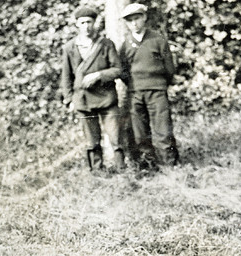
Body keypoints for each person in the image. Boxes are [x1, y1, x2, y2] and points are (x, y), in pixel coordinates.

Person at [60, 5, 125, 171]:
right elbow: (66, 76)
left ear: (95, 23)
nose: (86, 26)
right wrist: (69, 100)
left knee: (116, 138)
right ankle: (97, 173)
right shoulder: (70, 47)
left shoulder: (105, 44)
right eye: (82, 23)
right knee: (92, 141)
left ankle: (123, 172)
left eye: (89, 22)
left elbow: (118, 69)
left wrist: (98, 75)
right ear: (76, 24)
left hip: (107, 99)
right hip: (83, 100)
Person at [119, 3, 179, 168]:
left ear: (144, 18)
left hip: (157, 91)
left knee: (163, 130)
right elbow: (122, 71)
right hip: (135, 93)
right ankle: (147, 167)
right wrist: (133, 84)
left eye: (137, 18)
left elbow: (169, 68)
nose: (134, 23)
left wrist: (159, 83)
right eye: (130, 20)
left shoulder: (157, 39)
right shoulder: (125, 45)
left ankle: (169, 166)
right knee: (139, 133)